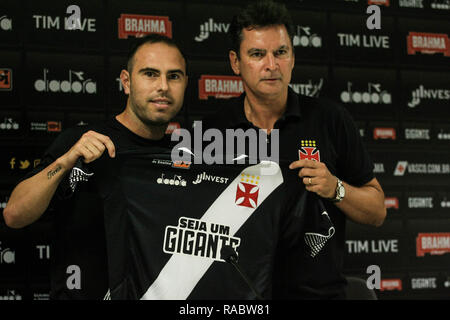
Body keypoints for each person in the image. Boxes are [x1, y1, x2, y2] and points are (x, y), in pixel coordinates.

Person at [201, 0, 386, 299]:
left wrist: (334, 188)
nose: (271, 65)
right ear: (236, 62)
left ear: (293, 57)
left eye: (280, 52)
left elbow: (377, 211)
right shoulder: (214, 129)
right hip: (239, 297)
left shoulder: (330, 119)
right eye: (258, 54)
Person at [3, 34, 188, 299]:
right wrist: (66, 161)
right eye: (150, 74)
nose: (163, 86)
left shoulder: (186, 158)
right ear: (126, 81)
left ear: (185, 84)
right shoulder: (77, 142)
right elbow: (14, 214)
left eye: (174, 76)